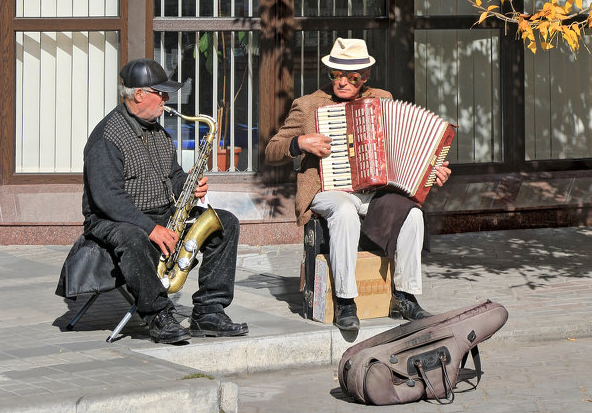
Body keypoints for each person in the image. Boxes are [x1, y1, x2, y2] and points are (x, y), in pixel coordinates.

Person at [266, 38, 451, 333]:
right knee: (343, 210)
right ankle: (345, 301)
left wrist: (433, 170)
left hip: (374, 192)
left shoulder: (382, 99)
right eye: (335, 74)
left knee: (413, 214)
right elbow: (272, 149)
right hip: (328, 191)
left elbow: (407, 148)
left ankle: (405, 297)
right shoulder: (308, 105)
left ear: (364, 76)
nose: (342, 81)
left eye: (351, 76)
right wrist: (300, 142)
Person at [81, 58, 248, 344]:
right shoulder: (106, 136)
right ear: (139, 95)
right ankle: (157, 314)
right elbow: (108, 199)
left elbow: (173, 175)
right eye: (161, 93)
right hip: (113, 220)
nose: (167, 99)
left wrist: (189, 186)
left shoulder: (159, 132)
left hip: (161, 213)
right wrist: (150, 228)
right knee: (133, 237)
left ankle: (209, 310)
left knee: (226, 223)